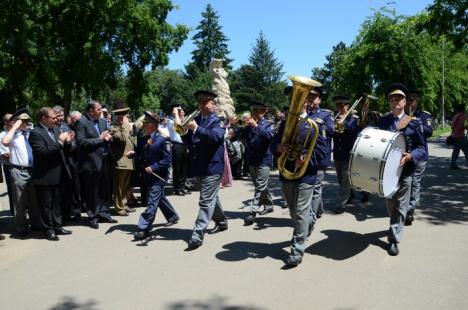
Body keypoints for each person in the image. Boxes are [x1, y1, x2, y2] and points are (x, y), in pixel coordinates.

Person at [272, 88, 329, 267]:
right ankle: (307, 227)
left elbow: (322, 150)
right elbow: (274, 142)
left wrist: (305, 158)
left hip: (306, 174)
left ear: (306, 102)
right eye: (291, 100)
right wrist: (278, 148)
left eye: (298, 99)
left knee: (302, 213)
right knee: (293, 212)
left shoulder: (315, 124)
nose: (294, 103)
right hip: (286, 172)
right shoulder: (284, 122)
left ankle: (296, 251)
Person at [378, 83, 426, 256]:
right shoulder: (383, 121)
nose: (395, 101)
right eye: (392, 98)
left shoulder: (414, 122)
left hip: (405, 171)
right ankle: (395, 223)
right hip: (386, 172)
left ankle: (393, 240)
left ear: (405, 101)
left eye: (398, 98)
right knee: (390, 202)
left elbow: (422, 148)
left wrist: (411, 156)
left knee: (401, 206)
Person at [180, 90, 228, 250]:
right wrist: (185, 132)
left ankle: (197, 234)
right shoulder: (197, 119)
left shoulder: (219, 121)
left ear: (213, 104)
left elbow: (215, 138)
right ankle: (221, 221)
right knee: (212, 198)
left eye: (205, 102)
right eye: (199, 102)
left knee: (205, 200)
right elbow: (190, 141)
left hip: (213, 166)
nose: (201, 105)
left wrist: (196, 128)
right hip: (199, 165)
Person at [133, 112, 180, 240]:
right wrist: (134, 154)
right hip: (148, 175)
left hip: (159, 176)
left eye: (145, 123)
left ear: (153, 125)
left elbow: (167, 159)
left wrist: (153, 167)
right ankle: (172, 216)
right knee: (159, 197)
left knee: (152, 201)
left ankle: (144, 228)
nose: (142, 126)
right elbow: (144, 154)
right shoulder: (146, 138)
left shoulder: (163, 139)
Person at [28, 107, 73, 240]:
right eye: (52, 118)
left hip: (59, 173)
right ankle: (48, 229)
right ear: (43, 118)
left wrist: (68, 142)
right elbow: (43, 152)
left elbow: (64, 150)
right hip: (44, 175)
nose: (56, 120)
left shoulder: (57, 129)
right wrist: (60, 141)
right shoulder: (36, 133)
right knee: (46, 204)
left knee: (57, 202)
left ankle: (57, 226)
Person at [75, 100, 117, 229]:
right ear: (91, 110)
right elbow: (81, 142)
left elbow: (107, 135)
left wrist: (109, 137)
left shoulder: (103, 121)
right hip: (90, 162)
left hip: (104, 159)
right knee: (92, 191)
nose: (101, 111)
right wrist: (100, 139)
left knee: (105, 188)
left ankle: (104, 213)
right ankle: (92, 216)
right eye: (99, 109)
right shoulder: (82, 122)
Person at [1, 109, 38, 237]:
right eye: (23, 121)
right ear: (16, 122)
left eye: (27, 120)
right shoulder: (11, 134)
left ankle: (35, 223)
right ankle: (21, 226)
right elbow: (5, 142)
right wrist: (15, 127)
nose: (26, 123)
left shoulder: (30, 133)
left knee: (34, 200)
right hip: (19, 170)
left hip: (33, 170)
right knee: (20, 201)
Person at [243, 100, 275, 226]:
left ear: (264, 111)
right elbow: (242, 136)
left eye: (259, 110)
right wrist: (244, 126)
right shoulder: (249, 124)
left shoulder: (268, 124)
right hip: (252, 159)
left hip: (264, 160)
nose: (256, 113)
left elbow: (269, 136)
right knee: (260, 185)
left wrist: (256, 126)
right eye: (254, 110)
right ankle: (269, 205)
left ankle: (252, 212)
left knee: (259, 187)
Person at [405, 90, 433, 225]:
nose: (409, 103)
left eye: (412, 100)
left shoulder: (423, 115)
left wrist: (418, 124)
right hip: (405, 155)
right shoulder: (401, 116)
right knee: (406, 183)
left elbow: (429, 132)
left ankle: (409, 211)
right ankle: (404, 207)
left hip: (419, 156)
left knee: (415, 183)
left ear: (417, 101)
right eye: (407, 100)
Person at [307, 87, 334, 220]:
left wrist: (316, 124)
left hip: (319, 157)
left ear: (319, 100)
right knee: (312, 187)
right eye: (309, 97)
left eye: (313, 97)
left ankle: (310, 219)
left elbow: (330, 131)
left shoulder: (326, 114)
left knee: (315, 188)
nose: (310, 100)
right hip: (305, 156)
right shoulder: (303, 114)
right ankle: (319, 210)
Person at [331, 95, 360, 214]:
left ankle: (340, 204)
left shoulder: (353, 118)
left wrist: (345, 123)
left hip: (349, 154)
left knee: (345, 180)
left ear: (348, 106)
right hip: (338, 153)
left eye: (342, 105)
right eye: (338, 105)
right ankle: (351, 194)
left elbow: (355, 132)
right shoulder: (334, 118)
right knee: (341, 180)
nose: (340, 107)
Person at [110, 107, 136, 216]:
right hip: (120, 162)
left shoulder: (124, 128)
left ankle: (124, 204)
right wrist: (125, 125)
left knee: (125, 186)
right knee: (119, 187)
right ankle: (119, 207)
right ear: (120, 118)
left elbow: (132, 140)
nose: (128, 119)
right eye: (126, 117)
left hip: (128, 161)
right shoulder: (114, 128)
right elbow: (123, 138)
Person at [168, 105, 190, 196]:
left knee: (184, 168)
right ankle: (177, 188)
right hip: (176, 145)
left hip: (183, 145)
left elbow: (185, 132)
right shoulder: (170, 121)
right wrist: (176, 114)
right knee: (177, 168)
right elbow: (179, 129)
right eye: (181, 111)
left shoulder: (182, 121)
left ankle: (182, 186)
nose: (183, 113)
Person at [0, 113, 15, 215]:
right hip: (9, 166)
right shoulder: (2, 135)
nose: (14, 121)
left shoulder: (18, 132)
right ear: (6, 122)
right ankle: (14, 213)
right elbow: (5, 155)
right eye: (11, 119)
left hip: (24, 166)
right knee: (13, 191)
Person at [449, 104, 468, 169]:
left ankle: (453, 164)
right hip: (461, 136)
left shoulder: (455, 116)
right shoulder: (463, 116)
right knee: (466, 151)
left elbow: (452, 126)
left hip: (454, 136)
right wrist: (466, 127)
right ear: (463, 109)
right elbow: (461, 126)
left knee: (455, 151)